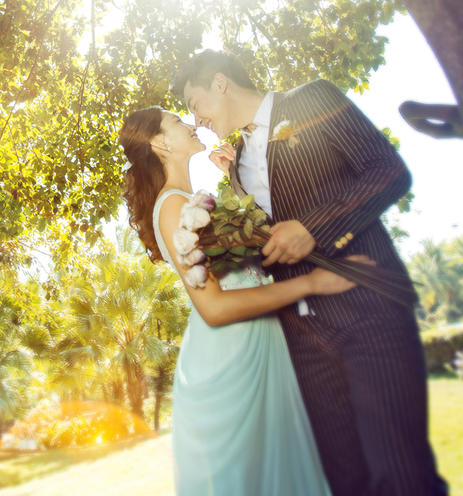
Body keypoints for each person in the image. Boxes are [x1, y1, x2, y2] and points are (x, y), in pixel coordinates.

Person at [174, 49, 447, 496]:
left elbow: (387, 171)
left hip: (367, 309)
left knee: (400, 474)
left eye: (194, 103)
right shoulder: (237, 167)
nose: (196, 118)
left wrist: (314, 229)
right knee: (343, 480)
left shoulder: (313, 99)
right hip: (301, 341)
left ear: (220, 83)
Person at [119, 106, 371, 496]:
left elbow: (259, 244)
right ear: (159, 143)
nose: (189, 124)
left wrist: (235, 177)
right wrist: (312, 284)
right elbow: (214, 307)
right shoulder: (171, 207)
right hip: (228, 359)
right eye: (176, 122)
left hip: (260, 343)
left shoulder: (195, 201)